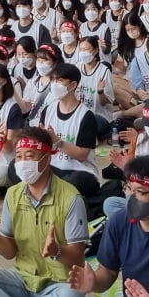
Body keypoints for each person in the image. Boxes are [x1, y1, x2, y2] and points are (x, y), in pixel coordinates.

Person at [0, 127, 88, 297]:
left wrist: (57, 251)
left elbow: (78, 257)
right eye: (19, 156)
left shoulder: (71, 198)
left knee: (73, 295)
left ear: (47, 159)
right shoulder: (13, 194)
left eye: (29, 156)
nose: (22, 162)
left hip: (58, 283)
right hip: (24, 279)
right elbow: (9, 252)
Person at [68, 156, 149, 297]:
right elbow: (108, 272)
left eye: (141, 192)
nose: (132, 197)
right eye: (129, 188)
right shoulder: (118, 223)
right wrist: (94, 281)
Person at [31, 62, 99, 197]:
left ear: (73, 85)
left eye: (60, 80)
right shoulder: (48, 110)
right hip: (53, 167)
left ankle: (52, 191)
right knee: (16, 167)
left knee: (74, 181)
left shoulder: (86, 116)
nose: (54, 84)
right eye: (53, 80)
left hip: (79, 170)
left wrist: (56, 140)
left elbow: (81, 155)